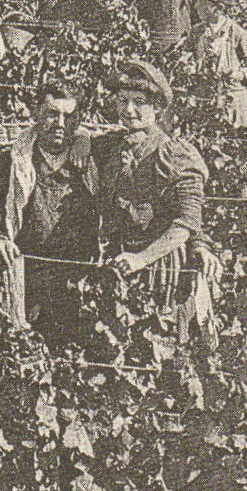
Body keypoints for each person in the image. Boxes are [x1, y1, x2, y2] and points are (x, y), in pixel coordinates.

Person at [0, 81, 101, 336]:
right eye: (52, 113)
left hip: (81, 284)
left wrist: (84, 139)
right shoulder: (7, 164)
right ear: (35, 113)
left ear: (79, 121)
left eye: (69, 117)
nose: (60, 124)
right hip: (27, 282)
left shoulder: (93, 162)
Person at [93, 61, 213, 331]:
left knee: (160, 339)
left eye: (139, 102)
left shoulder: (176, 155)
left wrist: (142, 259)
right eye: (122, 101)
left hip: (163, 268)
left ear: (157, 107)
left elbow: (186, 223)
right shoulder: (112, 148)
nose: (129, 110)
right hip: (121, 262)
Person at [188, 0, 247, 133]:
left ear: (218, 8)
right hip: (203, 99)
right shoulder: (196, 32)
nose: (195, 7)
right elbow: (186, 57)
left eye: (201, 4)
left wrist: (239, 75)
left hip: (232, 101)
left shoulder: (238, 33)